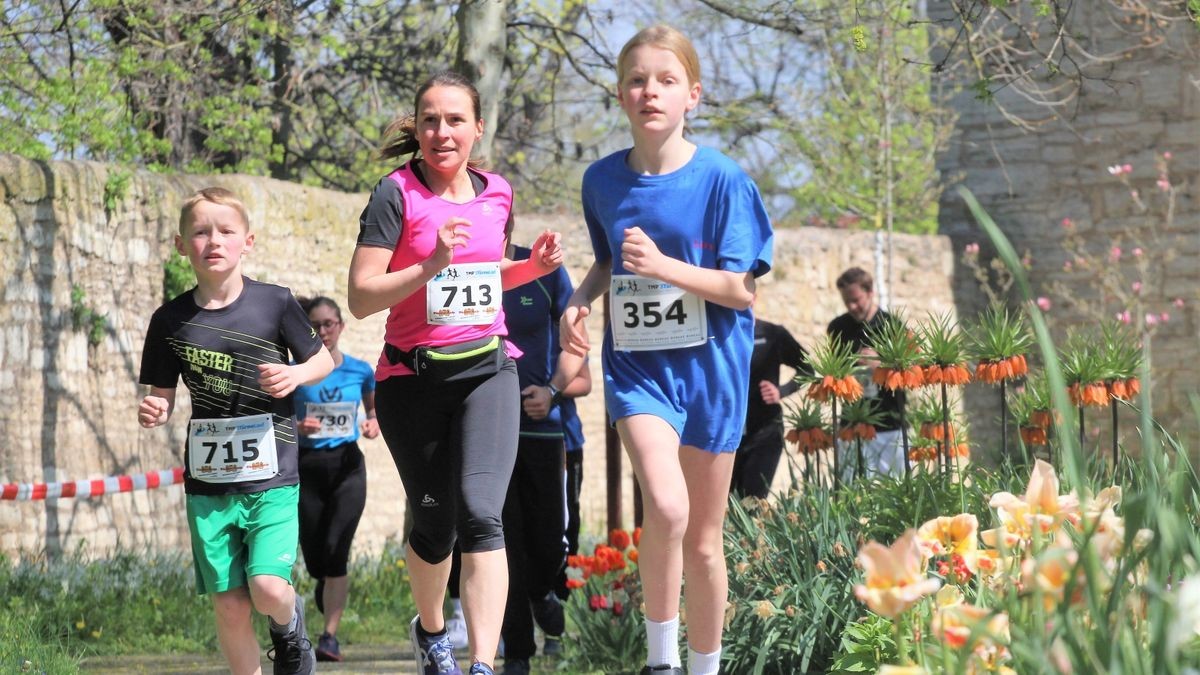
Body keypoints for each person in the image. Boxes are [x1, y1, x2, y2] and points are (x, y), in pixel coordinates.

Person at [560, 25, 773, 675]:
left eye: (666, 80)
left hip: (713, 373)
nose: (650, 90)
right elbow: (607, 260)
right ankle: (661, 662)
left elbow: (739, 288)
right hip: (639, 370)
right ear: (621, 96)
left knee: (706, 542)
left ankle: (703, 666)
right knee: (668, 505)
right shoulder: (601, 181)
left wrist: (666, 266)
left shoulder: (724, 181)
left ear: (693, 96)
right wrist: (580, 297)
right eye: (636, 80)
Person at [347, 70, 564, 675]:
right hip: (412, 381)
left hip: (488, 371)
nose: (442, 132)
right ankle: (433, 630)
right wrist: (430, 264)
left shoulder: (498, 191)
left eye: (455, 120)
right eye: (431, 120)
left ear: (477, 127)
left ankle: (482, 664)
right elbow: (362, 297)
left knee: (481, 513)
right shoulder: (396, 193)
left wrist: (533, 268)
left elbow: (487, 277)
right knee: (436, 523)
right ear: (417, 127)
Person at [138, 187, 334, 675]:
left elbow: (323, 359)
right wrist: (155, 409)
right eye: (201, 232)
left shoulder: (275, 303)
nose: (214, 241)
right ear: (182, 245)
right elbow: (161, 392)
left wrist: (294, 374)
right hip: (209, 483)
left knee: (268, 589)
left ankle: (291, 630)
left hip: (273, 476)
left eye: (226, 231)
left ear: (247, 241)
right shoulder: (169, 320)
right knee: (229, 605)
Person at [497, 242, 590, 675]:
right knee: (501, 543)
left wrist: (551, 391)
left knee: (550, 541)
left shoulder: (546, 271)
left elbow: (578, 347)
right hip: (487, 430)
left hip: (542, 430)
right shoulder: (456, 265)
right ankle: (516, 651)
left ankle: (542, 592)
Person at [293, 295, 380, 662]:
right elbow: (276, 421)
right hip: (306, 468)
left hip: (347, 468)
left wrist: (374, 422)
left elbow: (376, 411)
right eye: (315, 325)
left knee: (337, 550)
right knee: (316, 559)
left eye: (329, 324)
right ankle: (325, 584)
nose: (323, 331)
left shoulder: (360, 371)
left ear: (341, 326)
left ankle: (329, 637)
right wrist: (298, 426)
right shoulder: (295, 371)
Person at [826, 267, 904, 477]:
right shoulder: (837, 327)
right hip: (852, 425)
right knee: (853, 492)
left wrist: (880, 364)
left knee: (894, 492)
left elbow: (908, 375)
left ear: (870, 292)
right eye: (846, 301)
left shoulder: (892, 324)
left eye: (856, 299)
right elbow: (836, 372)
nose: (852, 306)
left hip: (890, 424)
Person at [730, 318, 812, 499]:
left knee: (753, 503)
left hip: (765, 434)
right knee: (724, 506)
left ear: (754, 298)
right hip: (726, 435)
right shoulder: (716, 335)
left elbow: (808, 368)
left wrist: (781, 391)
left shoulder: (771, 334)